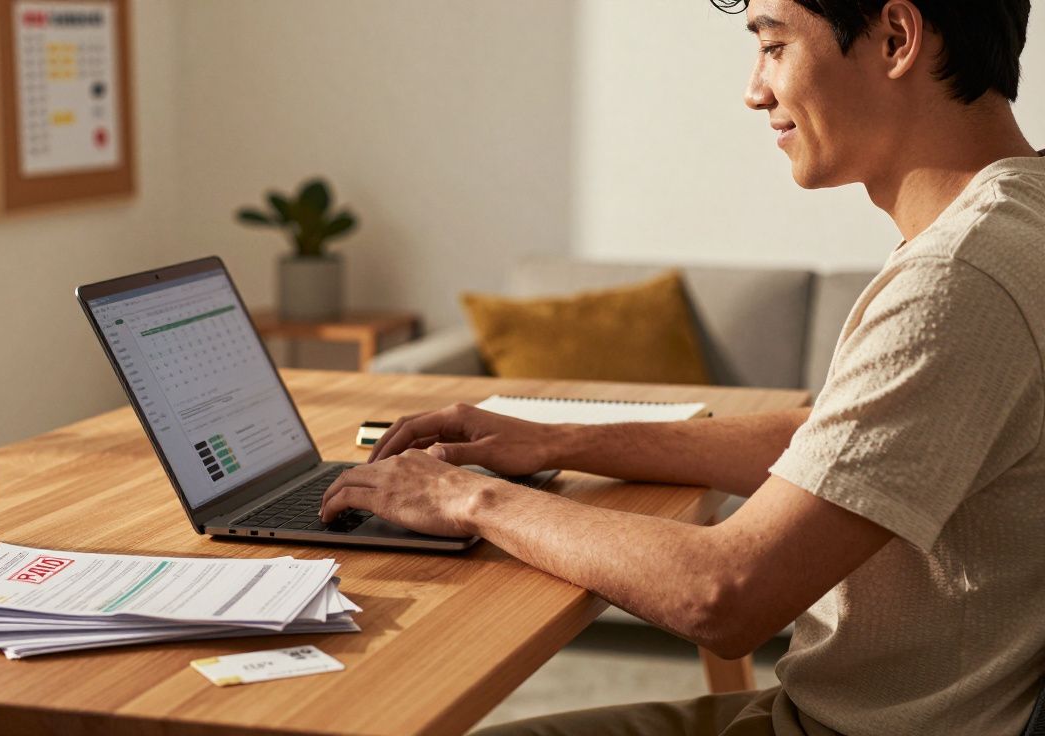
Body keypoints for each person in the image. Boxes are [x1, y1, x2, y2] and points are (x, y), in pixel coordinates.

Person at [319, 0, 1044, 734]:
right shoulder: (1018, 216)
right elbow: (839, 444)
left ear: (896, 39)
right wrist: (559, 440)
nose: (755, 89)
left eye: (774, 45)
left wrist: (467, 500)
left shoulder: (959, 277)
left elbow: (723, 594)